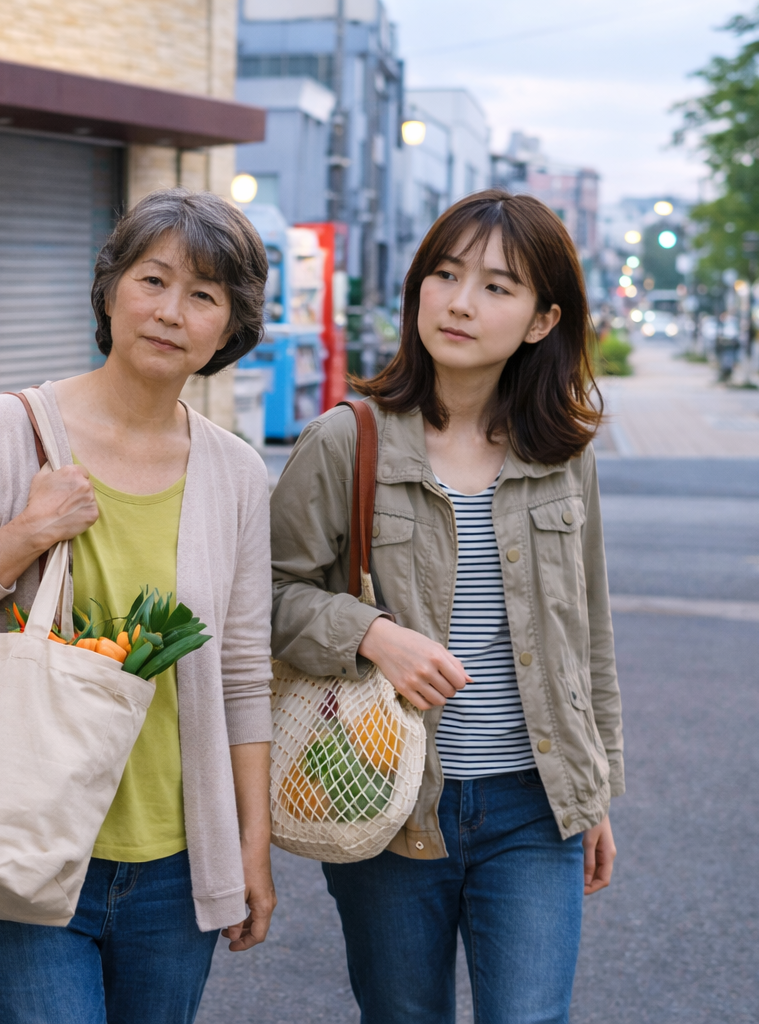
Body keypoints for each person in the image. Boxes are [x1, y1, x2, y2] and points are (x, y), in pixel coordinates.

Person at [0, 188, 276, 1024]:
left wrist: (251, 845)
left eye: (203, 296)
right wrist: (21, 536)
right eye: (153, 280)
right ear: (110, 289)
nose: (170, 312)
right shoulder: (5, 431)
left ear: (229, 329)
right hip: (20, 843)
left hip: (174, 864)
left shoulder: (236, 473)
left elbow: (241, 672)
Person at [271, 189, 622, 1024]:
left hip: (533, 804)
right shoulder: (345, 441)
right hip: (388, 797)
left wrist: (594, 790)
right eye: (445, 273)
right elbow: (268, 598)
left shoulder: (562, 455)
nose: (461, 301)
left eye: (498, 287)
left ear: (542, 320)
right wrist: (370, 635)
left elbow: (592, 632)